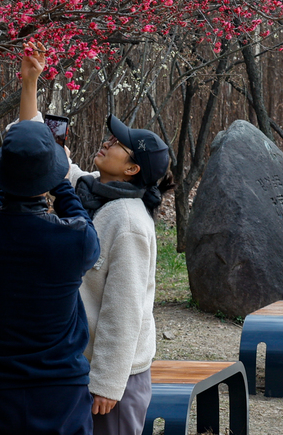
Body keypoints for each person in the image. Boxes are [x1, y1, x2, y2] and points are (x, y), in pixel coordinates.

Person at [19, 48, 171, 435]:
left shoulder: (128, 222)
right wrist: (31, 82)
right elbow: (38, 150)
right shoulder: (90, 190)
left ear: (133, 168)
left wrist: (107, 383)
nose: (107, 142)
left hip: (114, 378)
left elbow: (125, 309)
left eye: (118, 143)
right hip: (78, 363)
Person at [0, 120, 101, 435]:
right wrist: (62, 182)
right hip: (62, 389)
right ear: (50, 176)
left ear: (2, 174)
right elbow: (81, 220)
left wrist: (14, 179)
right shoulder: (75, 242)